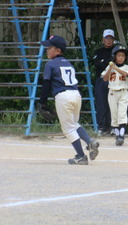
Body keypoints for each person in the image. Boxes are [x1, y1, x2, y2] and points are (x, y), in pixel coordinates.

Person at [39, 35, 99, 165]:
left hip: (63, 96)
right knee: (74, 124)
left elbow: (46, 84)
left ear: (58, 50)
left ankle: (81, 156)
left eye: (49, 48)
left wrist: (42, 102)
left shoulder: (50, 64)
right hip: (76, 94)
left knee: (68, 129)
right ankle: (89, 141)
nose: (47, 50)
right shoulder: (68, 63)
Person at [101, 45, 128, 146]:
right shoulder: (110, 67)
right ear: (114, 57)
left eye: (123, 56)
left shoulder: (127, 67)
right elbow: (105, 79)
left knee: (122, 113)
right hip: (112, 92)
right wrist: (110, 68)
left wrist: (115, 68)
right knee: (114, 114)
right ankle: (117, 135)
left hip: (123, 92)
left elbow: (126, 75)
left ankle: (121, 135)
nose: (121, 57)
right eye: (118, 55)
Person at [93, 29, 115, 136]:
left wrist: (105, 62)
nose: (109, 40)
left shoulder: (116, 51)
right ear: (103, 39)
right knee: (101, 103)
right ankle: (101, 127)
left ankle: (113, 127)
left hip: (114, 80)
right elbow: (97, 64)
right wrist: (108, 62)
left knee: (113, 103)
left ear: (113, 39)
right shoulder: (98, 52)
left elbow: (115, 64)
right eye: (107, 38)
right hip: (101, 80)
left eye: (110, 38)